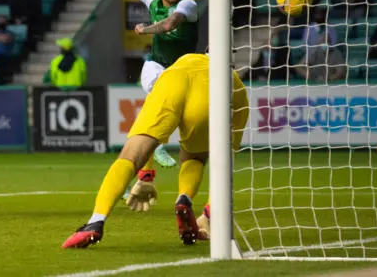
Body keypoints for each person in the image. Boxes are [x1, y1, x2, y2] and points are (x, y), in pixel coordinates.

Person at [61, 52, 249, 248]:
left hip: (171, 79)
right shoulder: (236, 84)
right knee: (196, 156)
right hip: (214, 89)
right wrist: (210, 212)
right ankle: (185, 198)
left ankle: (95, 220)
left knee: (130, 155)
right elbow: (225, 161)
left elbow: (151, 141)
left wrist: (146, 177)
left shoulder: (176, 59)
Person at [116, 0, 200, 171]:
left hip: (183, 69)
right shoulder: (152, 1)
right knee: (159, 97)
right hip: (157, 64)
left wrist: (145, 29)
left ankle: (140, 167)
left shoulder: (188, 5)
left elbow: (169, 24)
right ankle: (157, 147)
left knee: (172, 111)